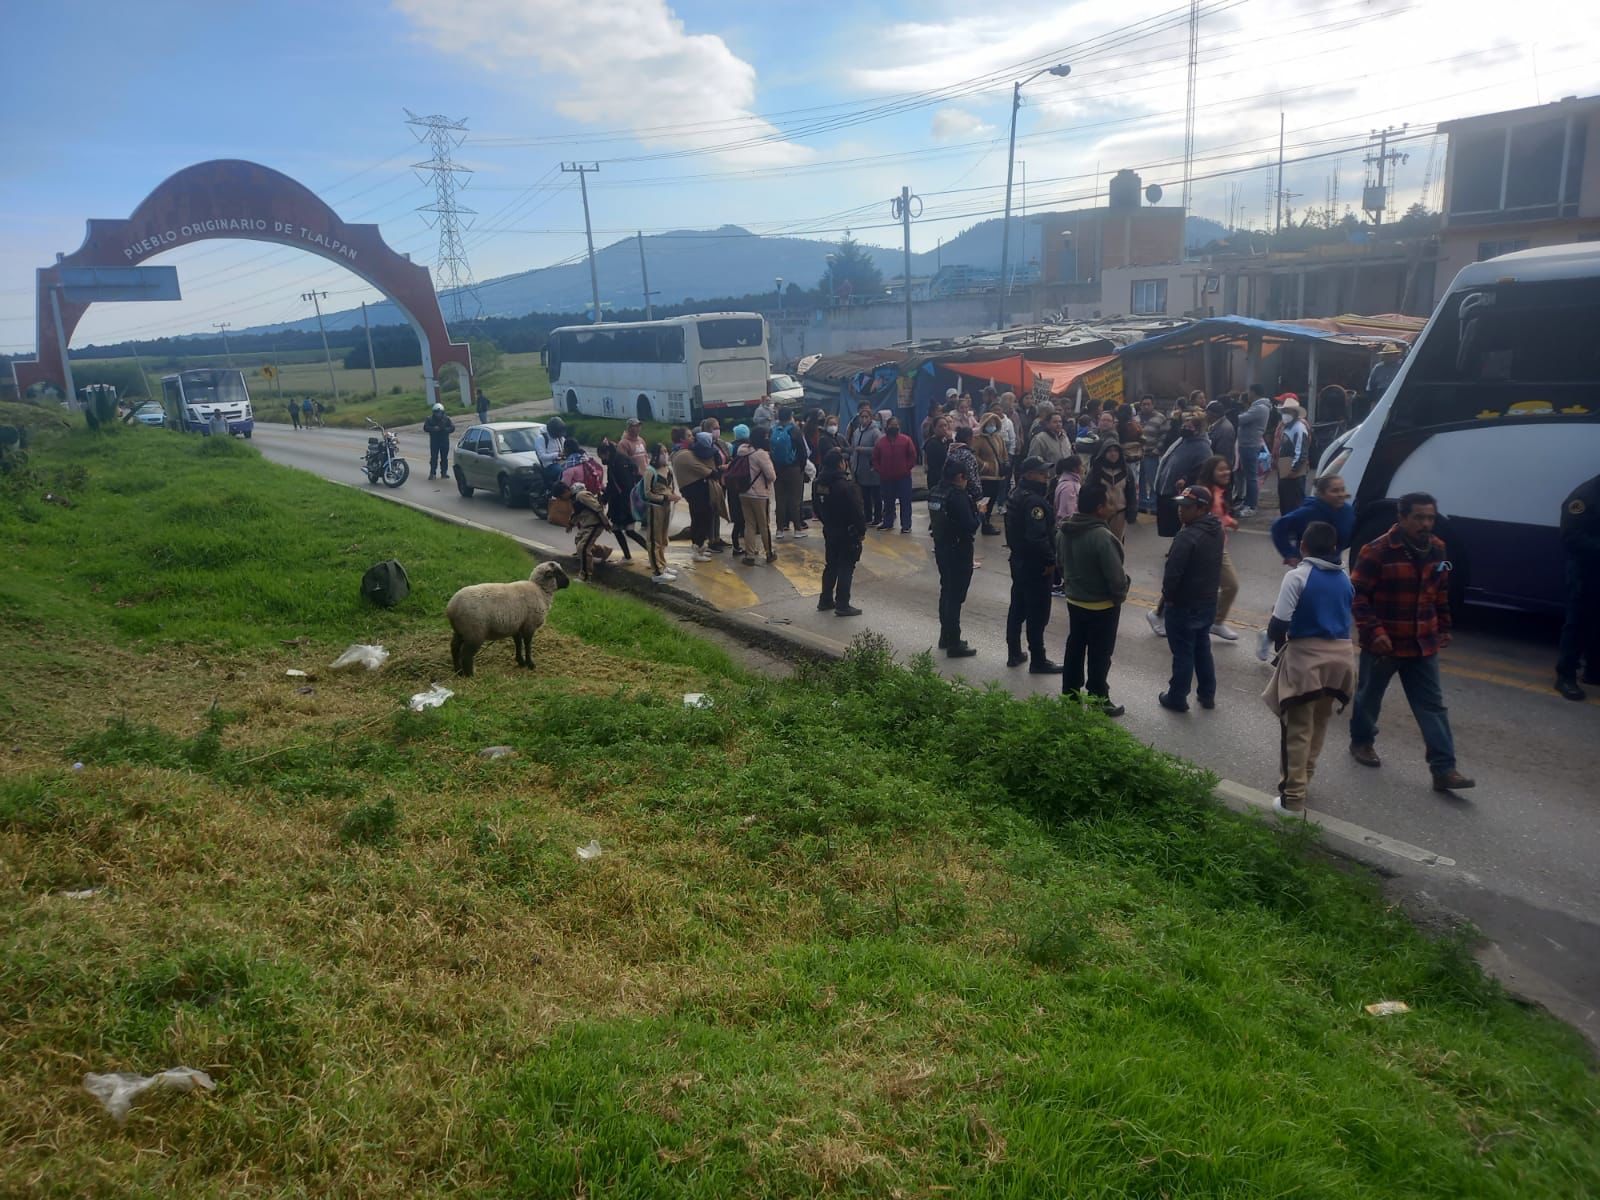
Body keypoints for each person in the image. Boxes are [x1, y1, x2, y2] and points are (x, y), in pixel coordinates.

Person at [1348, 492, 1475, 792]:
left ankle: (1444, 769)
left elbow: (1439, 592)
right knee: (1369, 698)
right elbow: (1357, 596)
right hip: (1385, 645)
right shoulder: (1376, 551)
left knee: (1433, 707)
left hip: (1423, 643)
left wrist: (1444, 626)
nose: (1425, 524)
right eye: (1418, 517)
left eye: (1430, 518)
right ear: (1402, 518)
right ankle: (1361, 742)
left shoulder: (1438, 548)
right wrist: (1374, 631)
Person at [1262, 520, 1357, 815]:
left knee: (1297, 729)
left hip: (1307, 661)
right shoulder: (1345, 578)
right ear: (1334, 547)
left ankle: (1292, 800)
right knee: (1319, 722)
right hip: (1341, 661)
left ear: (1302, 546)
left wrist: (1278, 644)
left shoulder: (1297, 576)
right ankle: (1306, 780)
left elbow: (1278, 624)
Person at [1057, 483, 1131, 716]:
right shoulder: (1102, 537)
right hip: (1102, 606)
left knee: (1075, 648)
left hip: (1074, 600)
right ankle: (1099, 698)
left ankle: (1070, 696)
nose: (1112, 506)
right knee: (1100, 655)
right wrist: (1120, 594)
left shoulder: (1064, 530)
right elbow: (1116, 578)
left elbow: (1061, 563)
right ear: (1099, 508)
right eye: (1108, 502)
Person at [1157, 486, 1225, 713]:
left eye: (1187, 507)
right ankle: (1207, 694)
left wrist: (1168, 598)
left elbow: (1173, 573)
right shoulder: (1216, 529)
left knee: (1183, 652)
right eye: (1180, 505)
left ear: (1201, 509)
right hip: (1207, 601)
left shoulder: (1186, 536)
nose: (1180, 510)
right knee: (1202, 647)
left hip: (1184, 604)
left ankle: (1177, 697)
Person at [1004, 456, 1062, 673]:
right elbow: (1037, 537)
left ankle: (1014, 652)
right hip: (1035, 565)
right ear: (1029, 475)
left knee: (1018, 607)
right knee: (1037, 613)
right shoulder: (1034, 502)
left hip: (1019, 561)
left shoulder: (1016, 494)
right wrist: (1050, 561)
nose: (1046, 477)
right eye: (1041, 473)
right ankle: (1038, 659)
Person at [929, 458, 984, 657]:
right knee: (955, 597)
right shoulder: (958, 496)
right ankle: (954, 642)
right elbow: (970, 525)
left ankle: (946, 636)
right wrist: (980, 513)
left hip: (942, 547)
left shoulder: (936, 491)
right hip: (958, 549)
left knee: (947, 591)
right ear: (960, 477)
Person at [1555, 471, 1600, 700]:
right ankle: (1565, 676)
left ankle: (1594, 672)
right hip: (1586, 571)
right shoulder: (1585, 496)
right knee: (1578, 623)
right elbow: (1570, 536)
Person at [814, 449, 867, 617]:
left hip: (830, 529)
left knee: (831, 564)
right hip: (846, 531)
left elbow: (816, 508)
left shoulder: (819, 484)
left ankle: (825, 599)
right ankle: (842, 604)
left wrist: (827, 522)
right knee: (846, 566)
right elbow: (857, 511)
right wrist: (861, 530)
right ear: (840, 464)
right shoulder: (846, 486)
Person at [1195, 455, 1240, 640]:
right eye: (1221, 469)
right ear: (1211, 472)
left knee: (1231, 586)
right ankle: (1159, 614)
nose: (1226, 472)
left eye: (1227, 468)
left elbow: (1218, 515)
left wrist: (1229, 521)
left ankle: (1217, 622)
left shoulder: (1219, 491)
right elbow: (1193, 517)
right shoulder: (1204, 493)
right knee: (1188, 587)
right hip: (1203, 548)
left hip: (1218, 545)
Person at [1271, 474, 1357, 565]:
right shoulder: (1309, 512)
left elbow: (1351, 535)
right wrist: (1290, 554)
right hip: (1308, 564)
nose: (1341, 494)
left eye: (1342, 490)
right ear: (1321, 494)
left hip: (1334, 563)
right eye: (1334, 491)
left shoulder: (1348, 511)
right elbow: (1278, 527)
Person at [596, 440, 650, 562]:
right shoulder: (617, 461)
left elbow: (619, 485)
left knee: (628, 531)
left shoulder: (618, 464)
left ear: (607, 453)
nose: (602, 459)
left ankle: (652, 553)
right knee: (618, 530)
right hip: (622, 502)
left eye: (602, 456)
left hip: (624, 503)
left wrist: (605, 498)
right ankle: (629, 556)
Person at [671, 432, 719, 562]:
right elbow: (705, 470)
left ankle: (700, 546)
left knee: (700, 518)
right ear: (682, 439)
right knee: (701, 518)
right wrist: (715, 471)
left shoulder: (684, 452)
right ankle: (697, 548)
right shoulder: (684, 454)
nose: (693, 438)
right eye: (689, 436)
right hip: (695, 491)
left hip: (694, 490)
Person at [552, 480, 613, 581]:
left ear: (565, 492)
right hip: (587, 525)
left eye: (561, 497)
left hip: (595, 524)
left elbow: (597, 508)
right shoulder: (574, 499)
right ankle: (604, 551)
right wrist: (571, 524)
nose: (562, 500)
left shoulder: (581, 496)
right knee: (578, 541)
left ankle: (585, 576)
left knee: (583, 548)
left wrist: (605, 523)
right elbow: (577, 513)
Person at [738, 426, 778, 566]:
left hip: (744, 492)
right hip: (760, 494)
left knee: (749, 524)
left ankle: (749, 555)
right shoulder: (761, 454)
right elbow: (771, 476)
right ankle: (769, 553)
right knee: (763, 524)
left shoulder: (742, 451)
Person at [871, 414, 917, 533]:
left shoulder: (906, 440)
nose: (894, 427)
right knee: (888, 502)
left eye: (896, 425)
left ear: (899, 427)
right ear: (887, 427)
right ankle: (888, 522)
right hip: (886, 478)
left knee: (905, 502)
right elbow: (875, 458)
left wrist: (906, 468)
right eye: (891, 425)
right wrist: (880, 470)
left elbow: (912, 456)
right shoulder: (880, 442)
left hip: (904, 477)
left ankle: (906, 525)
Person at [643, 443, 681, 584]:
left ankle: (662, 565)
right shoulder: (650, 471)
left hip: (666, 507)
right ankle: (657, 571)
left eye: (666, 451)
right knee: (654, 540)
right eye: (662, 452)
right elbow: (647, 493)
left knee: (663, 538)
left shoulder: (668, 469)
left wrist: (673, 497)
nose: (665, 454)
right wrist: (665, 498)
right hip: (655, 508)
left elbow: (671, 487)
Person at [1085, 439, 1136, 542]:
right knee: (1100, 543)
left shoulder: (1126, 470)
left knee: (1116, 543)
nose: (1113, 454)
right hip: (1100, 514)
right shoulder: (1096, 470)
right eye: (1109, 451)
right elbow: (1087, 491)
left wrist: (1132, 511)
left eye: (1116, 451)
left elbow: (1131, 493)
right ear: (1104, 452)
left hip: (1119, 513)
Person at [768, 407, 809, 540]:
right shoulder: (795, 430)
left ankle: (779, 529)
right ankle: (797, 529)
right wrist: (801, 467)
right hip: (793, 469)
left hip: (778, 469)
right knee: (795, 499)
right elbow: (802, 452)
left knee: (780, 500)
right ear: (790, 416)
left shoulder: (773, 430)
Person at [1233, 385, 1272, 516]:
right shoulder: (1259, 406)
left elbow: (1240, 419)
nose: (1248, 395)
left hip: (1250, 445)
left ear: (1254, 392)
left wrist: (1233, 413)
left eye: (1249, 392)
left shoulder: (1259, 407)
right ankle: (1247, 502)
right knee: (1249, 476)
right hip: (1248, 444)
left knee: (1251, 477)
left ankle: (1251, 506)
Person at [974, 413, 1009, 535]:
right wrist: (984, 465)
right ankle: (984, 523)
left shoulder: (999, 438)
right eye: (989, 424)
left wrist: (1005, 463)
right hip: (986, 477)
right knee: (985, 501)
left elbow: (1004, 453)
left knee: (992, 500)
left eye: (994, 423)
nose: (992, 426)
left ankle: (987, 521)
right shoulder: (978, 439)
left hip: (998, 476)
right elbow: (974, 455)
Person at [847, 406, 882, 528]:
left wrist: (863, 450)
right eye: (862, 417)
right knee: (865, 496)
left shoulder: (875, 432)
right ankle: (867, 517)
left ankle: (878, 517)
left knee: (876, 496)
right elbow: (853, 448)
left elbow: (878, 449)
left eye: (866, 417)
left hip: (872, 470)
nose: (864, 419)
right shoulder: (857, 432)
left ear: (871, 418)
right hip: (860, 470)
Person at [1275, 399, 1310, 513]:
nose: (1285, 414)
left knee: (1294, 503)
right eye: (1284, 411)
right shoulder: (1287, 426)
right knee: (1285, 502)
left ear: (1294, 413)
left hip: (1293, 472)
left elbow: (1301, 451)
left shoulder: (1299, 428)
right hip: (1285, 469)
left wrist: (1294, 470)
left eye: (1288, 411)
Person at [1136, 395, 1167, 512]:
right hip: (1138, 455)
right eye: (1143, 404)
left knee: (1153, 480)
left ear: (1153, 405)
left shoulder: (1160, 418)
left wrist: (1157, 450)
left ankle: (1154, 505)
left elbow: (1164, 436)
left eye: (1148, 404)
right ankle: (1142, 504)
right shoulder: (1136, 419)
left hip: (1152, 454)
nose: (1146, 406)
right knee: (1140, 480)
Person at [922, 415, 952, 509]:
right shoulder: (932, 443)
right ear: (934, 428)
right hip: (936, 479)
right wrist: (950, 441)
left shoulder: (943, 441)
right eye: (940, 426)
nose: (944, 428)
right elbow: (946, 457)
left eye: (945, 425)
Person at [423, 402, 455, 480]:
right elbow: (425, 427)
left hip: (444, 441)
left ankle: (444, 473)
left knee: (444, 458)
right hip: (435, 441)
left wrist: (446, 430)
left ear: (443, 412)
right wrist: (433, 429)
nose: (438, 414)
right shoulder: (429, 419)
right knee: (434, 458)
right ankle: (432, 473)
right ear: (433, 412)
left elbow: (452, 427)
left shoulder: (447, 419)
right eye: (436, 412)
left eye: (440, 412)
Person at [1206, 400, 1237, 471]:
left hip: (1219, 467)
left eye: (1207, 413)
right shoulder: (1215, 424)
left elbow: (1222, 454)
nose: (1205, 415)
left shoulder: (1225, 430)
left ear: (1212, 415)